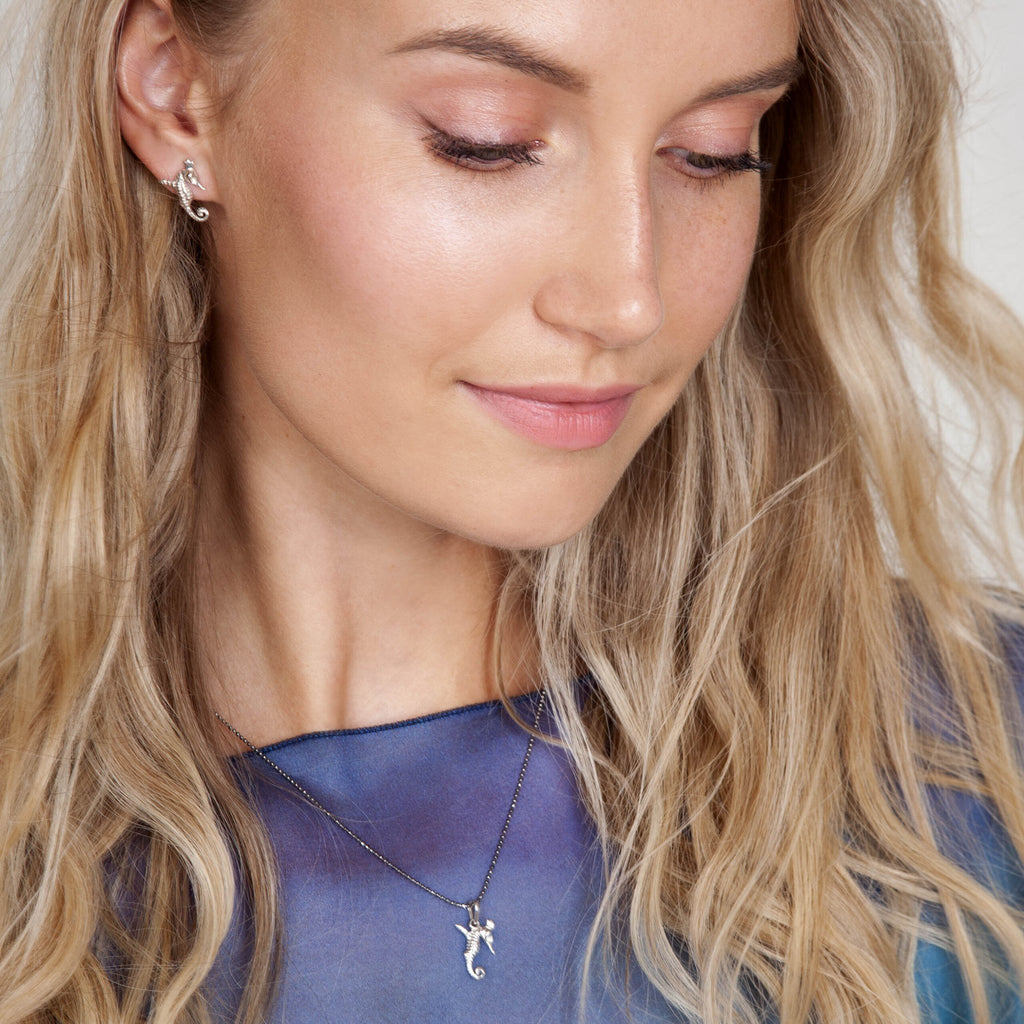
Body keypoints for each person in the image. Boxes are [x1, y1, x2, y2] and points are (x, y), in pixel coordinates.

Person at [0, 0, 1022, 1021]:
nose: (630, 299)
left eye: (712, 153)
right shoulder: (26, 882)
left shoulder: (971, 775)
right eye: (486, 141)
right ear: (177, 96)